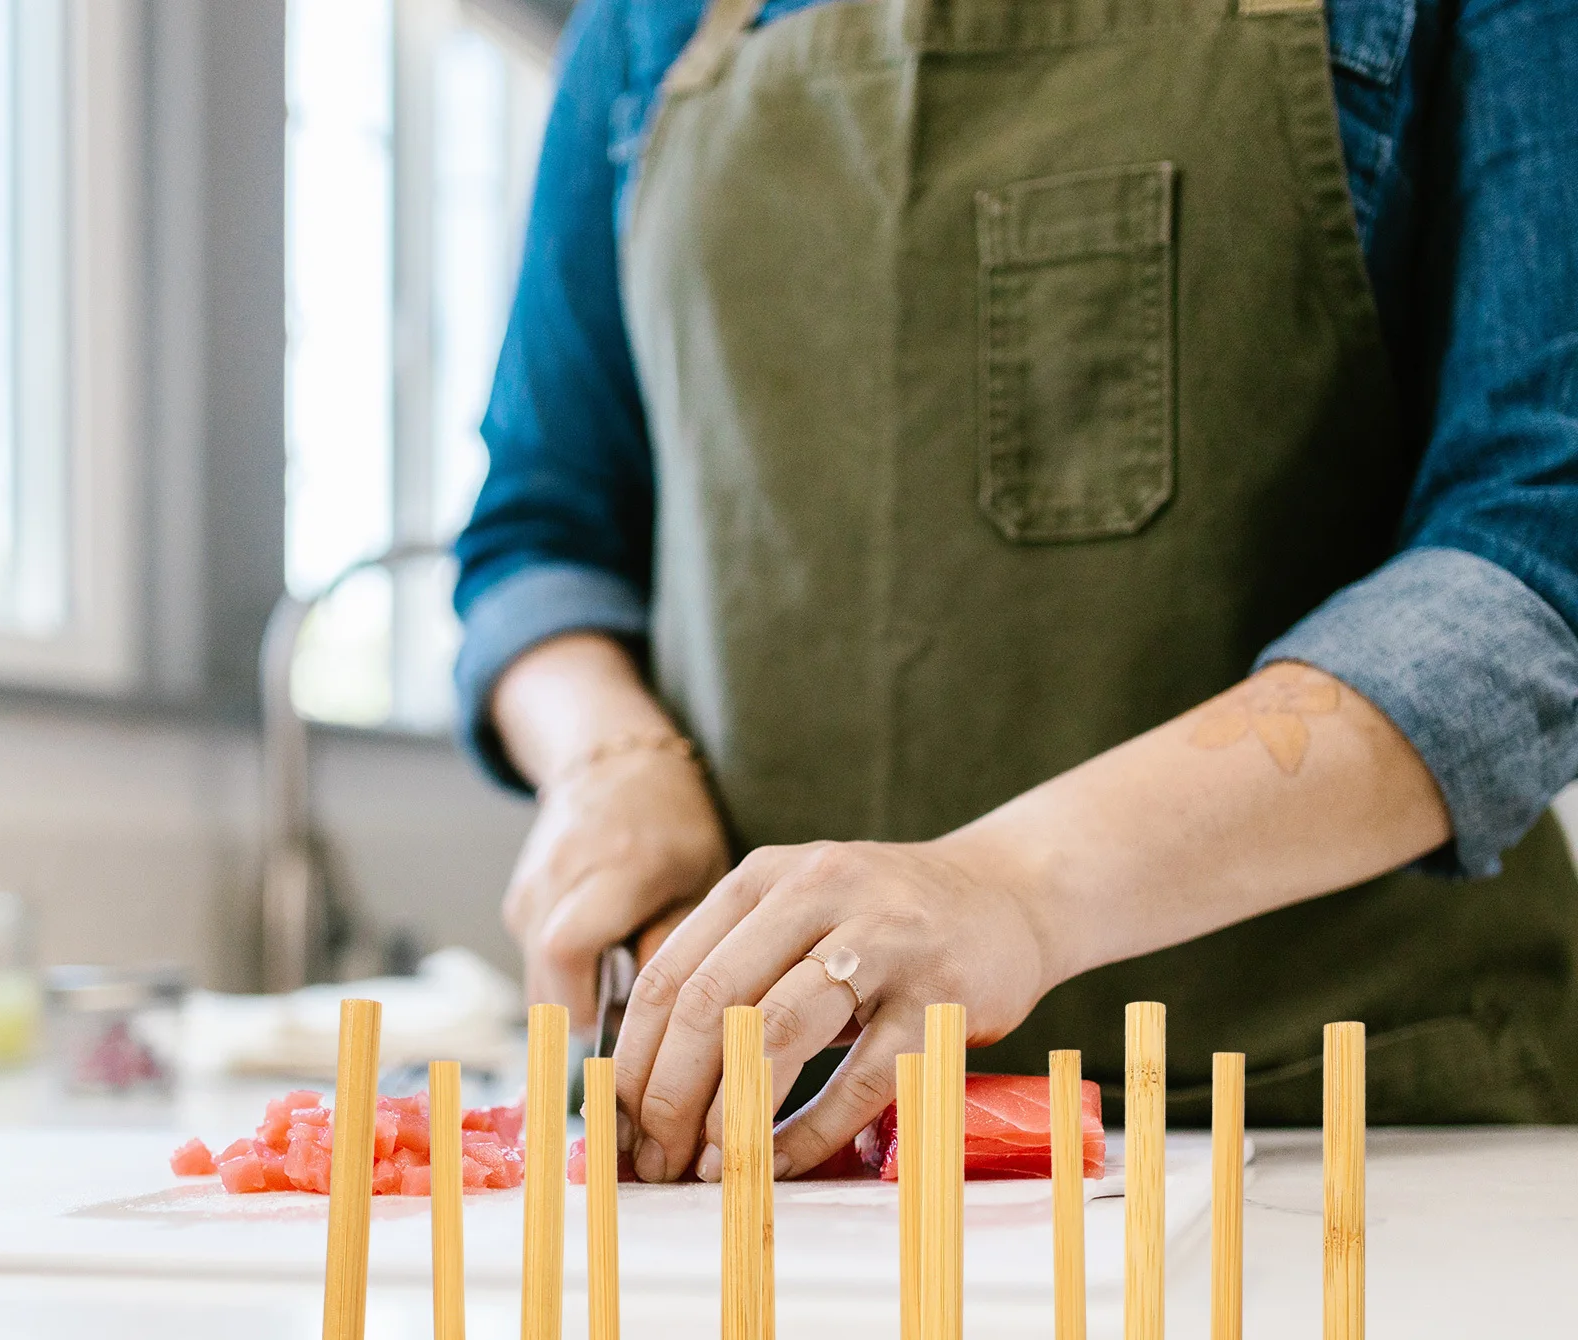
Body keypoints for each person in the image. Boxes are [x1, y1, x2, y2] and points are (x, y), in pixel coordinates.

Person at [454, 0, 1578, 1182]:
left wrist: (1016, 888)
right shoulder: (645, 26)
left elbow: (1536, 535)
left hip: (1331, 1132)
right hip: (773, 1150)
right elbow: (540, 531)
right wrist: (610, 761)